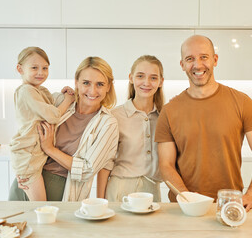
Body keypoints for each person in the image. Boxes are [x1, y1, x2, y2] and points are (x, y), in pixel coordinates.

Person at [155, 35, 252, 211]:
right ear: (182, 65)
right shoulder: (169, 110)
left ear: (215, 60)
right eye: (190, 59)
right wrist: (189, 199)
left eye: (204, 57)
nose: (197, 65)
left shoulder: (241, 102)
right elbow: (166, 165)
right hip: (183, 206)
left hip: (228, 205)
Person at [9, 56, 119, 201]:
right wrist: (23, 168)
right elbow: (28, 126)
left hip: (61, 192)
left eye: (100, 84)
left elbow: (86, 170)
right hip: (26, 183)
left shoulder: (107, 123)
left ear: (108, 87)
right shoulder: (58, 101)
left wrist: (50, 149)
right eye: (86, 83)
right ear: (76, 82)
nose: (92, 91)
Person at [10, 46, 75, 201]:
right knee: (40, 206)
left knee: (39, 208)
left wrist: (63, 92)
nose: (40, 72)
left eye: (45, 68)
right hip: (28, 157)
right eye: (34, 67)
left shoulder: (38, 90)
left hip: (33, 156)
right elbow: (53, 115)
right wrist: (67, 100)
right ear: (20, 69)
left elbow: (50, 105)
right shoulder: (26, 91)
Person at [105, 55, 164, 202]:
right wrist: (101, 201)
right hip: (120, 190)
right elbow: (105, 164)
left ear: (161, 82)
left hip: (152, 190)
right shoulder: (114, 116)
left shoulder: (165, 118)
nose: (146, 82)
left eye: (153, 78)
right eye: (140, 76)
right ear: (131, 78)